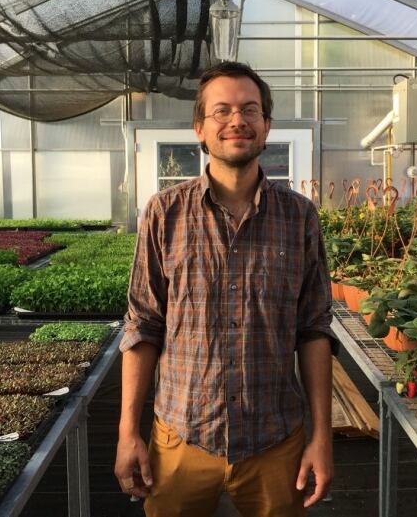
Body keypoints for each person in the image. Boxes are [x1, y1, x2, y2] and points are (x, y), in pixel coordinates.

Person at [115, 61, 336, 517]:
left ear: (266, 124)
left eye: (250, 109)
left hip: (276, 440)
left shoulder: (299, 218)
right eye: (222, 111)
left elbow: (313, 330)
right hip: (180, 437)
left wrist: (322, 437)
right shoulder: (163, 214)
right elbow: (143, 325)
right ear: (200, 128)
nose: (237, 120)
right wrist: (127, 433)